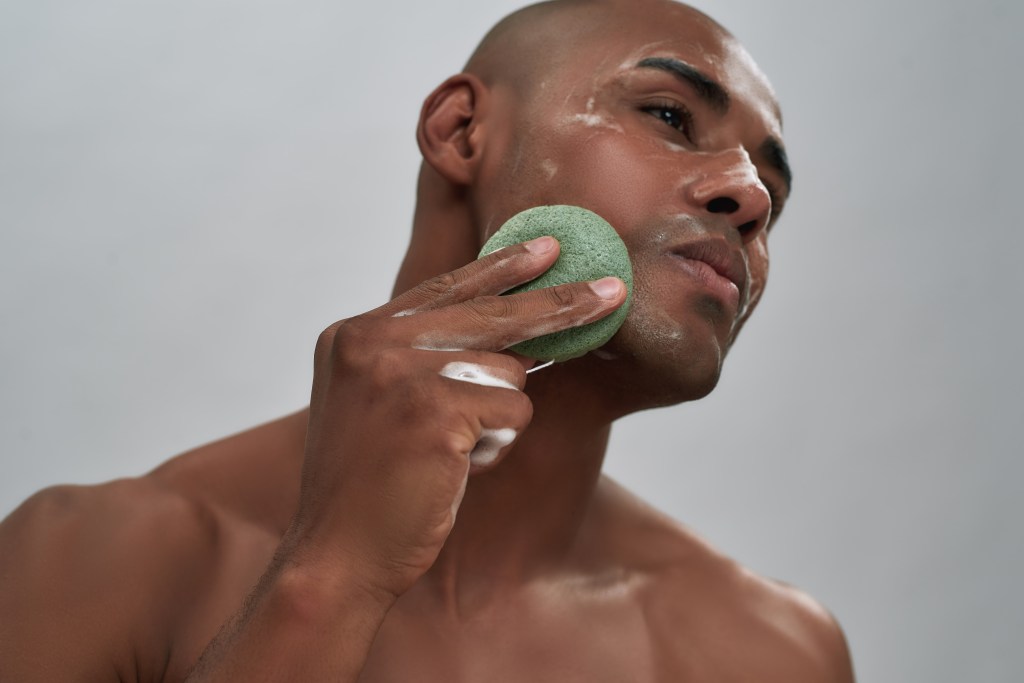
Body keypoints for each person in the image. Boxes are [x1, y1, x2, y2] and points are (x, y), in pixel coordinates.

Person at [0, 0, 855, 680]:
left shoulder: (772, 654)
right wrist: (328, 581)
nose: (748, 195)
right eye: (668, 114)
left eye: (772, 195)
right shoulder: (86, 565)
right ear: (459, 133)